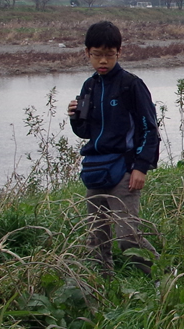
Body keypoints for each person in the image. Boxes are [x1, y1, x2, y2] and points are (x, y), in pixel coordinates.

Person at [67, 21, 160, 273]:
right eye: (97, 55)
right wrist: (75, 117)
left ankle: (164, 279)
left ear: (119, 52)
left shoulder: (131, 84)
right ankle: (102, 285)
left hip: (124, 170)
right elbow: (85, 133)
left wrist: (141, 167)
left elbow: (150, 129)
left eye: (109, 55)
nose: (103, 61)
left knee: (127, 237)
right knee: (97, 238)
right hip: (96, 170)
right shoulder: (89, 86)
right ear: (87, 53)